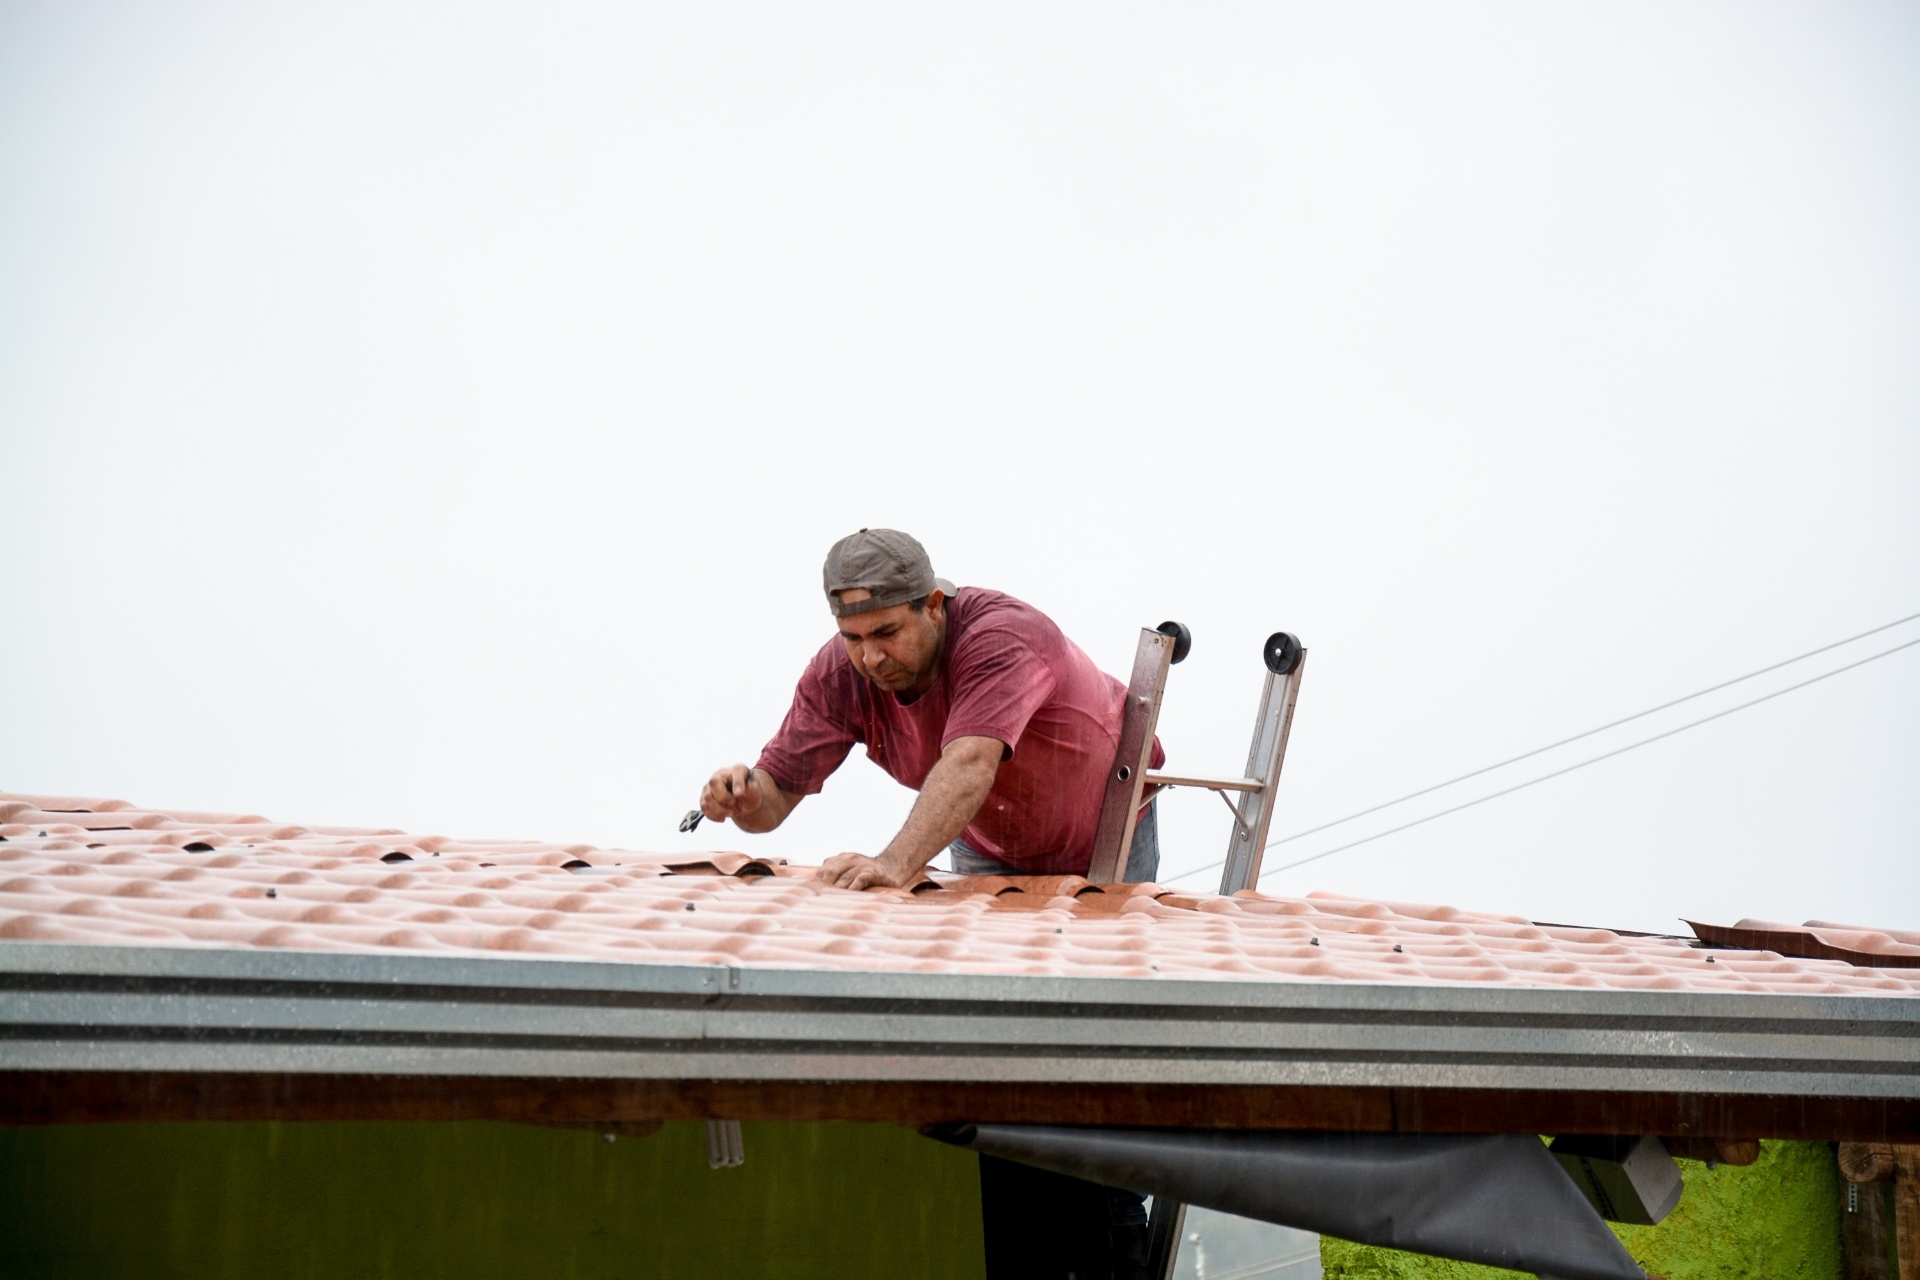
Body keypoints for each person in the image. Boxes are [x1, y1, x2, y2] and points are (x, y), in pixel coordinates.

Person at [698, 528, 1164, 890]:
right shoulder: (839, 674)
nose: (870, 658)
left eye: (886, 632)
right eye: (853, 638)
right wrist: (747, 797)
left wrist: (893, 864)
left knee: (1104, 975)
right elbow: (773, 801)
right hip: (988, 841)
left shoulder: (1000, 636)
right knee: (990, 981)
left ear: (935, 606)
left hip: (1105, 828)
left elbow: (970, 763)